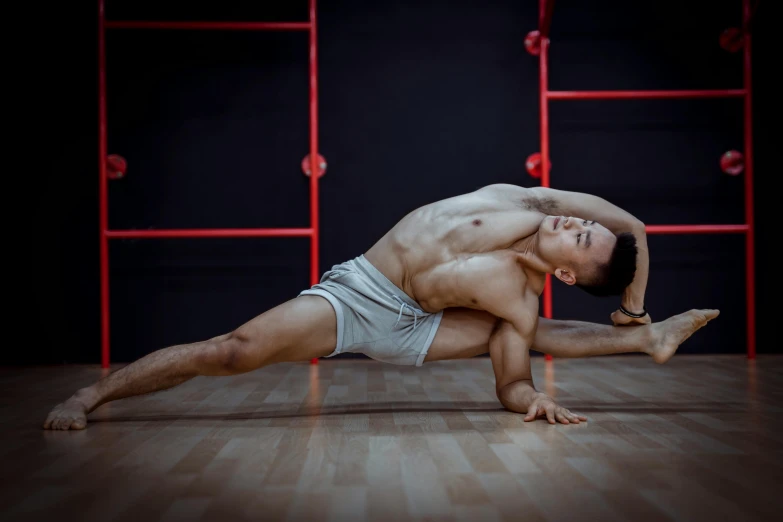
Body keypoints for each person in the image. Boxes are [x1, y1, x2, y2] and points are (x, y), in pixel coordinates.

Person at [44, 183, 718, 430]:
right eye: (579, 221)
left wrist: (529, 400)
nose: (574, 222)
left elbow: (511, 382)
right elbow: (632, 223)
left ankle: (646, 342)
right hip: (365, 295)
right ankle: (89, 396)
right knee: (233, 351)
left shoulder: (518, 296)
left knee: (521, 334)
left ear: (568, 271)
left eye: (580, 238)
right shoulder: (528, 201)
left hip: (423, 327)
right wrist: (632, 305)